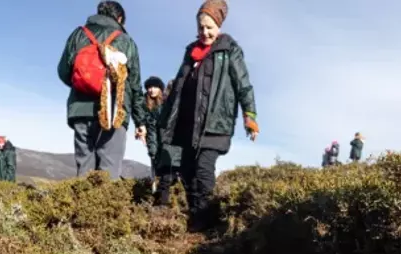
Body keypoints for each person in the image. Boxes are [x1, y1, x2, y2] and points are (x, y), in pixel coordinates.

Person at [157, 0, 258, 229]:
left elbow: (244, 84)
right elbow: (177, 89)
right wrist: (165, 119)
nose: (204, 32)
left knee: (203, 169)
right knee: (187, 171)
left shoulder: (229, 49)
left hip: (214, 122)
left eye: (209, 27)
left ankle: (207, 222)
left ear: (219, 26)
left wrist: (249, 116)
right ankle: (196, 221)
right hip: (186, 122)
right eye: (201, 27)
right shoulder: (190, 52)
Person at [57, 1, 147, 179]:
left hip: (80, 109)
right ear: (120, 19)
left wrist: (85, 85)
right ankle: (104, 205)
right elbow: (135, 85)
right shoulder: (126, 41)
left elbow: (63, 71)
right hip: (115, 111)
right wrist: (140, 122)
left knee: (84, 170)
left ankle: (81, 205)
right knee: (109, 170)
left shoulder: (78, 34)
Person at [143, 76, 165, 189]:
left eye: (155, 87)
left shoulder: (167, 103)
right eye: (149, 87)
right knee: (155, 162)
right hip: (152, 140)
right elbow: (149, 129)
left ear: (160, 88)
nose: (151, 90)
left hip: (167, 141)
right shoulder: (144, 105)